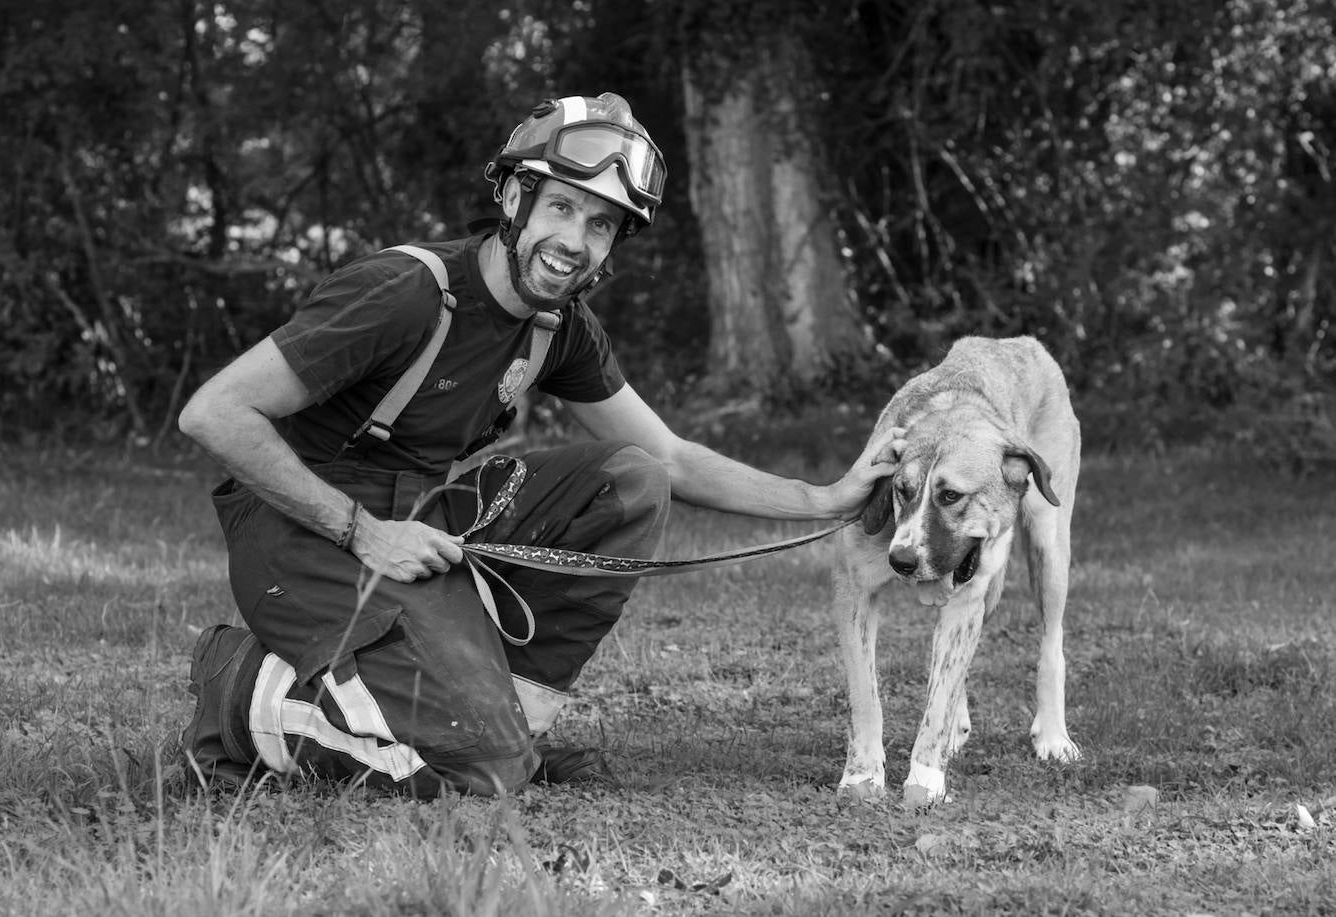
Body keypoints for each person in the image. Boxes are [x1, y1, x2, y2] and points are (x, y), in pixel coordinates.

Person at [177, 91, 904, 798]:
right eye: (561, 207)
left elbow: (671, 459)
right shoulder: (406, 292)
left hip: (421, 514)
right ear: (514, 200)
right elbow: (215, 413)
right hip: (302, 530)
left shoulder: (560, 326)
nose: (573, 242)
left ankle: (505, 725)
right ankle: (242, 693)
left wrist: (824, 497)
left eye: (600, 225)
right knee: (481, 772)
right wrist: (364, 532)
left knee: (631, 479)